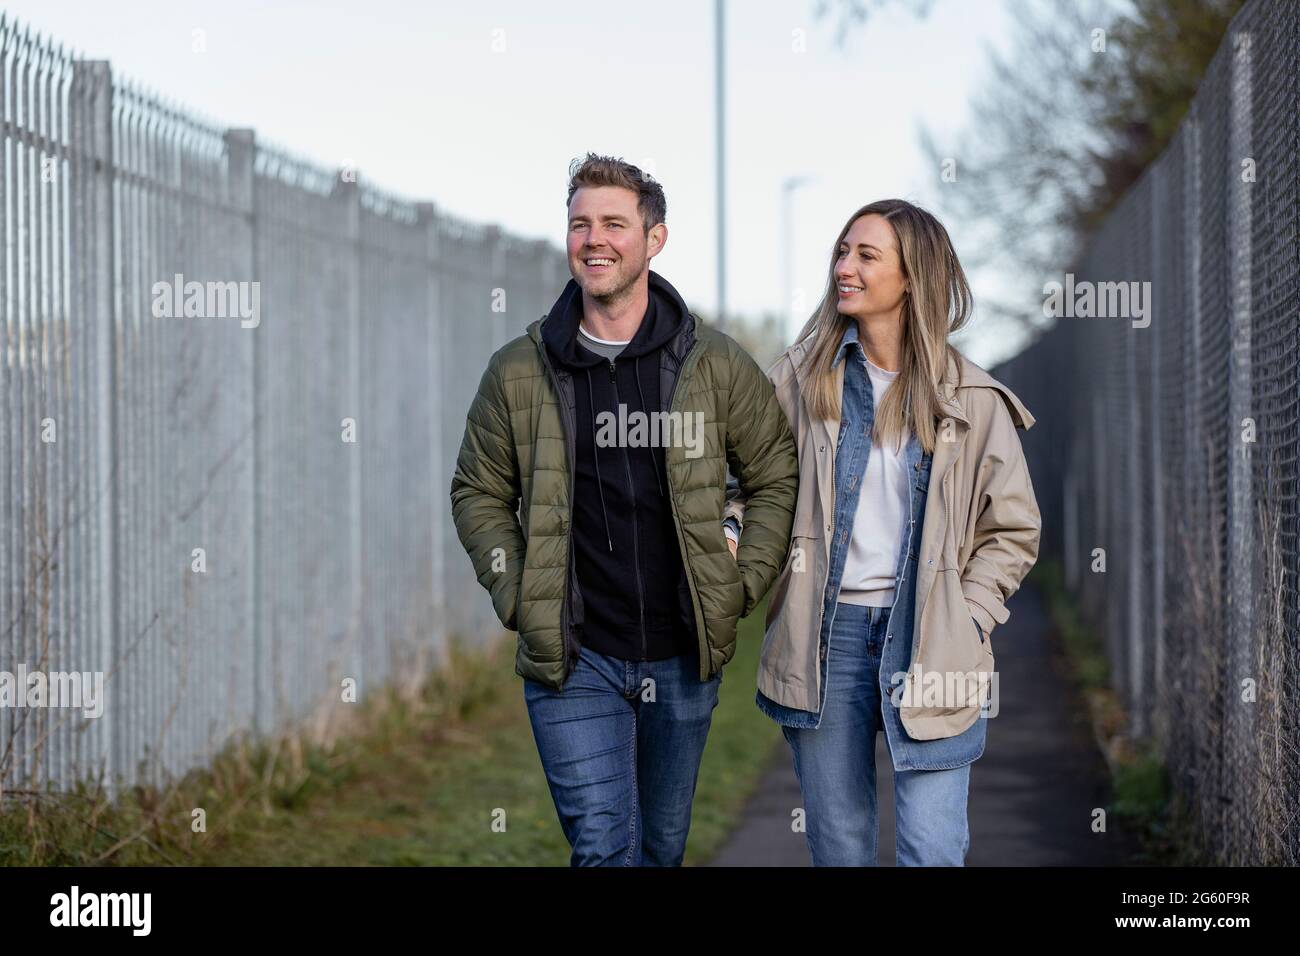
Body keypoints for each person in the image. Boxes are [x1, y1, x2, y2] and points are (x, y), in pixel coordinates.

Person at [450, 153, 798, 866]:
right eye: (580, 223)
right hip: (575, 656)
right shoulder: (520, 370)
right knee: (605, 846)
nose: (594, 239)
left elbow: (773, 476)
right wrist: (517, 593)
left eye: (613, 222)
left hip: (681, 654)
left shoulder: (716, 365)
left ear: (654, 238)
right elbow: (478, 490)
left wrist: (738, 584)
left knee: (659, 847)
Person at [725, 199, 1041, 866]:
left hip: (933, 642)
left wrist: (973, 614)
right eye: (843, 252)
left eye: (866, 256)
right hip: (826, 638)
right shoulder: (797, 382)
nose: (845, 267)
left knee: (932, 850)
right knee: (840, 848)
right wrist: (734, 534)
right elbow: (745, 487)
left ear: (912, 276)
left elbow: (1012, 527)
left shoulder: (974, 400)